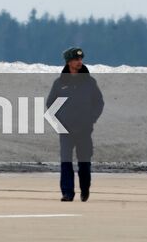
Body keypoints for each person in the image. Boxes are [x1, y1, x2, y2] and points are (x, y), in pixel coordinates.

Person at [46, 46, 104, 202]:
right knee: (66, 161)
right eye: (76, 59)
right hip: (66, 130)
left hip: (84, 130)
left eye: (81, 59)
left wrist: (91, 119)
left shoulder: (90, 82)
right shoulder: (59, 83)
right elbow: (50, 104)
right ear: (69, 62)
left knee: (84, 162)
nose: (80, 62)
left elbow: (99, 103)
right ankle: (67, 193)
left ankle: (85, 189)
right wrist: (59, 122)